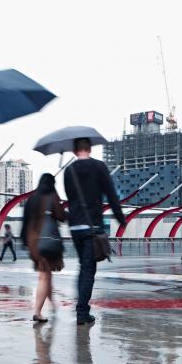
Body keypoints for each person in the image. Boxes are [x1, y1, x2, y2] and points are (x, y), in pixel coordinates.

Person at [64, 138, 126, 325]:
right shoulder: (99, 166)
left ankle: (81, 309)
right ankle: (82, 312)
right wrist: (121, 218)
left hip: (75, 227)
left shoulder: (68, 171)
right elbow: (111, 194)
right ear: (89, 148)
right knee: (88, 270)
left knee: (83, 268)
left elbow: (70, 197)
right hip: (92, 227)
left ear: (75, 151)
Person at [22, 174, 65, 322]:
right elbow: (62, 216)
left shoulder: (32, 199)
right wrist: (57, 199)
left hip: (34, 243)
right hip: (48, 242)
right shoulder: (51, 197)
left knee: (46, 275)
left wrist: (27, 243)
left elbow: (25, 223)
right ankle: (37, 312)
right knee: (44, 277)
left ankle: (52, 303)